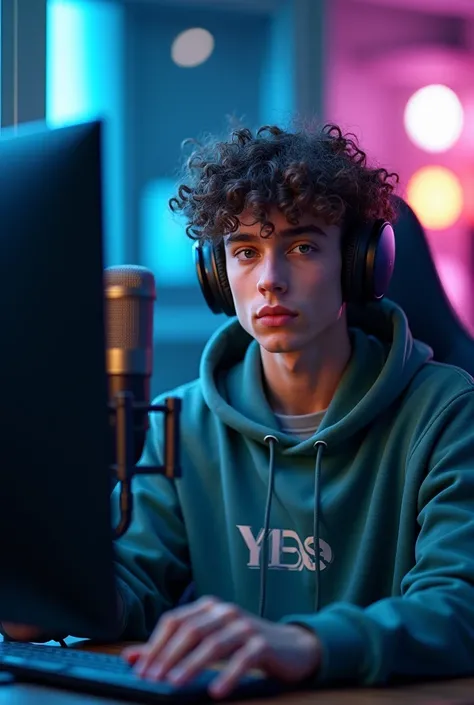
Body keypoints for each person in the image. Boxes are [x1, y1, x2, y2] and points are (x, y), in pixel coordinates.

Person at [5, 123, 474, 699]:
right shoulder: (187, 421)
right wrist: (42, 600)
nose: (270, 281)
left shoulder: (448, 414)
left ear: (361, 262)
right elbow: (129, 577)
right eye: (246, 251)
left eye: (302, 247)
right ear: (216, 273)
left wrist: (307, 644)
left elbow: (459, 605)